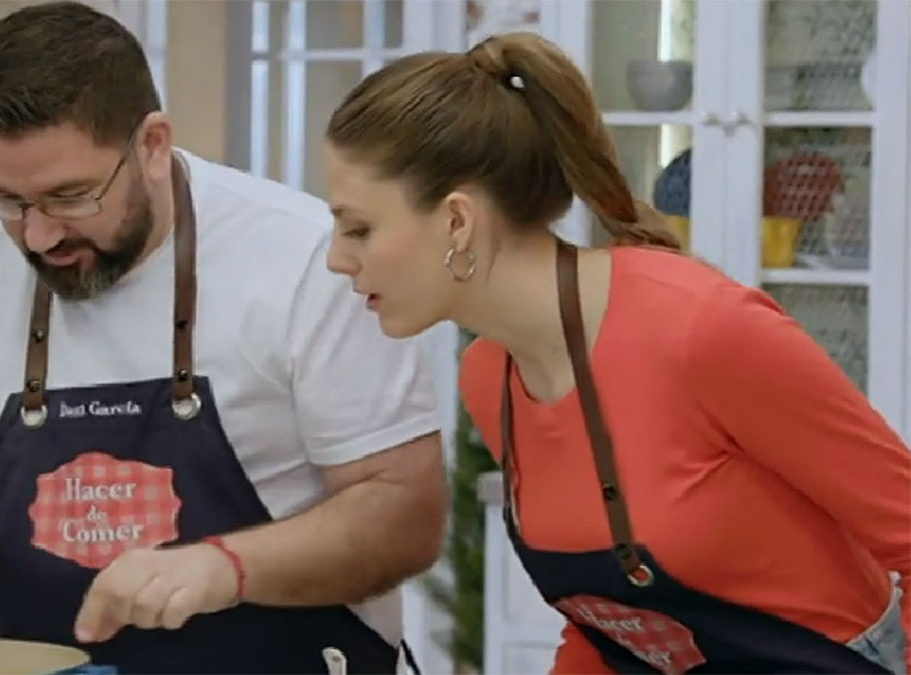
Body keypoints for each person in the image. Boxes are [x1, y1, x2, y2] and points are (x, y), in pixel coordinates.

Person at [0, 2, 446, 673]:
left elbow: (404, 511)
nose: (39, 234)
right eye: (9, 200)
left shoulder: (305, 259)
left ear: (153, 145)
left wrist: (226, 566)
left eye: (70, 195)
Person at [321, 29, 911, 675]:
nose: (336, 258)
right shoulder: (491, 377)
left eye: (359, 227)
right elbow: (614, 626)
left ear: (458, 220)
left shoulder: (702, 330)